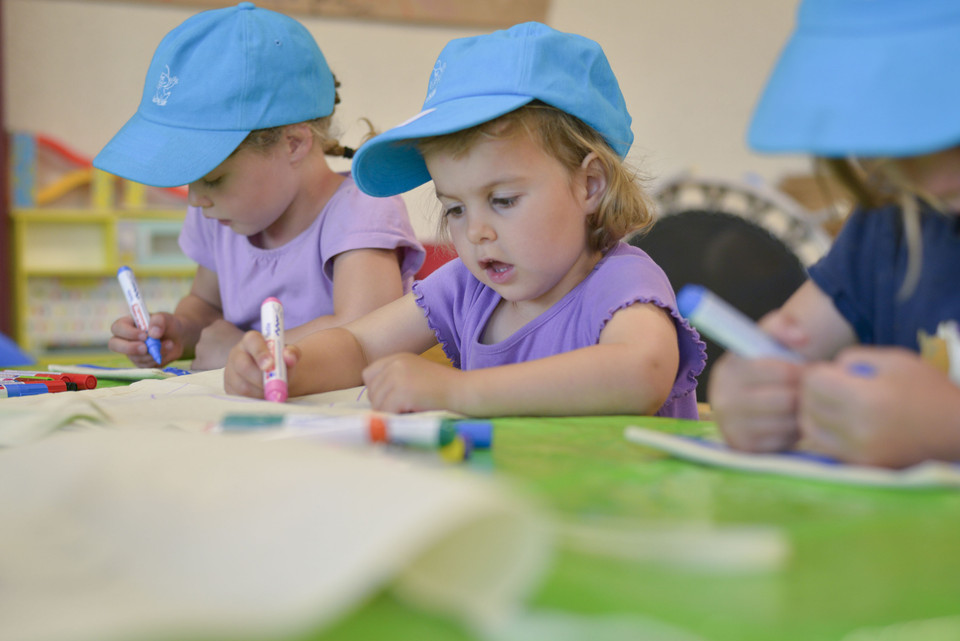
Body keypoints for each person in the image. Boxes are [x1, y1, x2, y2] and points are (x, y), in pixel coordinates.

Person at [224, 22, 705, 418]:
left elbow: (641, 372)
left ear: (590, 186)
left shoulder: (620, 280)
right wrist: (287, 364)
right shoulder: (468, 288)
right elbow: (360, 345)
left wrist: (460, 391)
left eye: (503, 200)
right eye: (455, 208)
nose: (476, 232)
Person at [94, 3, 424, 370]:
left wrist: (245, 351)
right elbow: (207, 307)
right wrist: (179, 333)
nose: (196, 199)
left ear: (293, 143)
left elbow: (369, 329)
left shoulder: (362, 209)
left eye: (214, 178)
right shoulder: (222, 215)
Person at [708, 0, 960, 467]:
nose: (933, 180)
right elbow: (787, 348)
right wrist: (754, 391)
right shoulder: (890, 221)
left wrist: (949, 427)